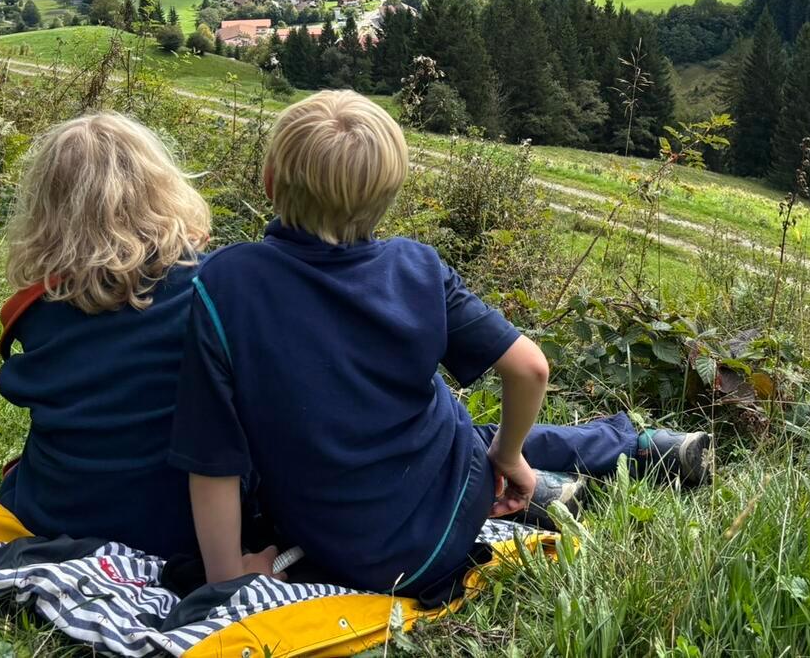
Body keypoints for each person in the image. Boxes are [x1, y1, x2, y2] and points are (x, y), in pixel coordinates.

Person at [168, 90, 711, 602]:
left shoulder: (224, 286)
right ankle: (623, 449)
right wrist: (508, 455)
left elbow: (213, 453)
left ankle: (583, 467)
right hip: (455, 511)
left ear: (268, 182)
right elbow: (530, 368)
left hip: (348, 551)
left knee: (461, 437)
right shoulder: (418, 267)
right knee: (471, 436)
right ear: (387, 197)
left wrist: (225, 576)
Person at [0, 110, 279, 576]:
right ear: (162, 188)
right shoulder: (212, 288)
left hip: (55, 519)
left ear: (47, 210)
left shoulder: (36, 312)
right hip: (190, 530)